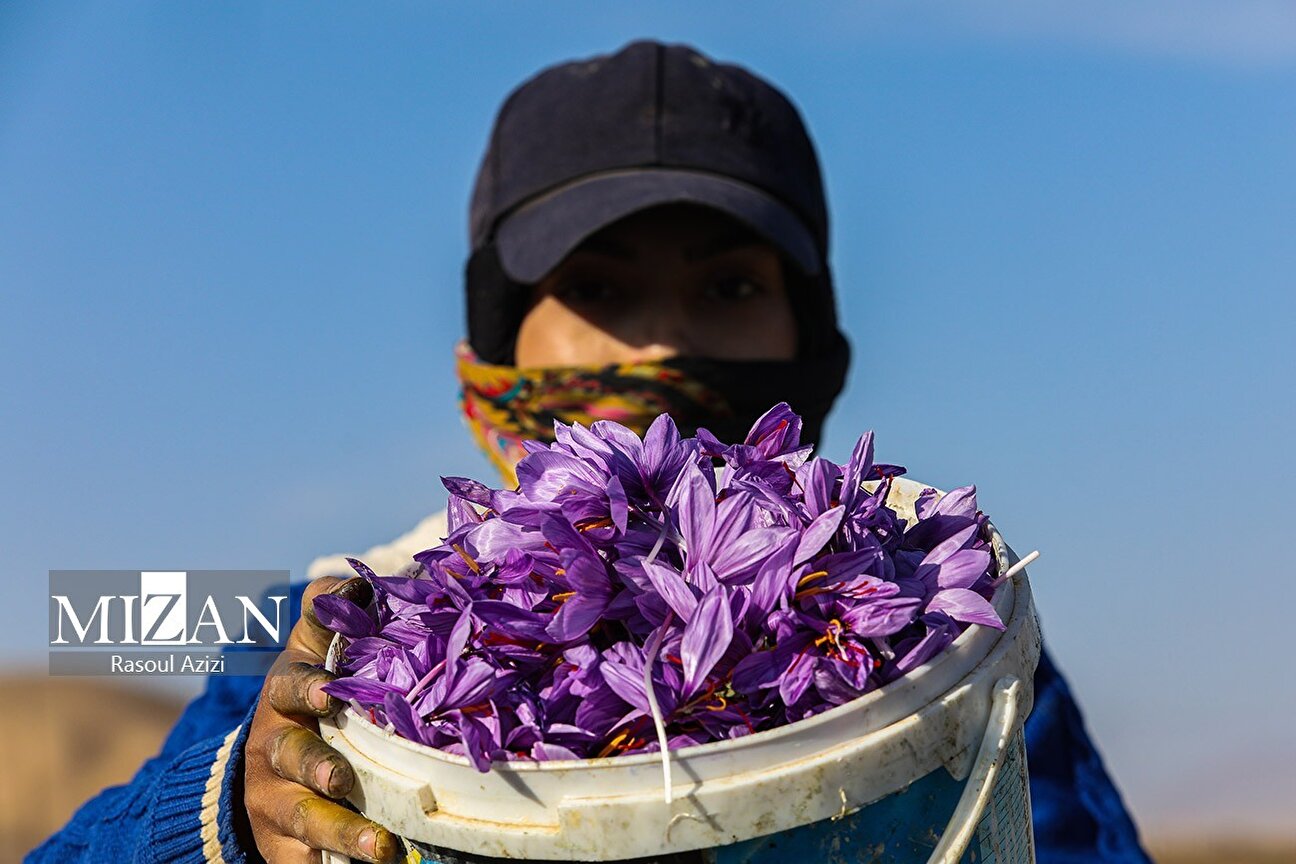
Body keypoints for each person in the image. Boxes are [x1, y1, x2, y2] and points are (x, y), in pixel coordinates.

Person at [27, 40, 1151, 864]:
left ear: (811, 356)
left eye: (729, 286)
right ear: (494, 354)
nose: (662, 342)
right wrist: (233, 812)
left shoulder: (939, 639)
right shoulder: (330, 631)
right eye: (599, 290)